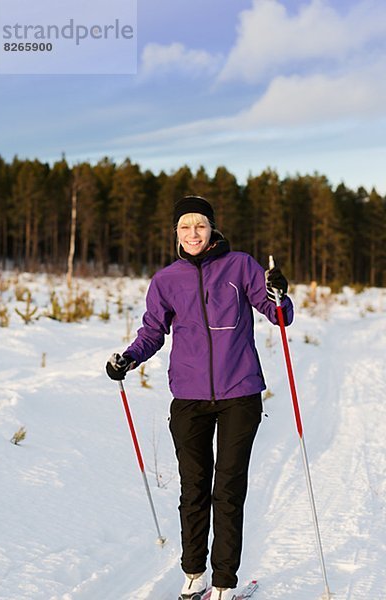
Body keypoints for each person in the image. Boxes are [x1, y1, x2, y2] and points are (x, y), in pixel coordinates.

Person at [106, 195, 293, 600]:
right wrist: (129, 358)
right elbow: (153, 332)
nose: (193, 233)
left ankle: (224, 581)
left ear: (212, 229)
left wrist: (279, 292)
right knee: (193, 488)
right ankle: (194, 575)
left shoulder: (241, 265)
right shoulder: (166, 280)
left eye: (200, 225)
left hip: (240, 393)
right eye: (185, 226)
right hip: (188, 398)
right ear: (176, 232)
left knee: (227, 489)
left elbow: (277, 314)